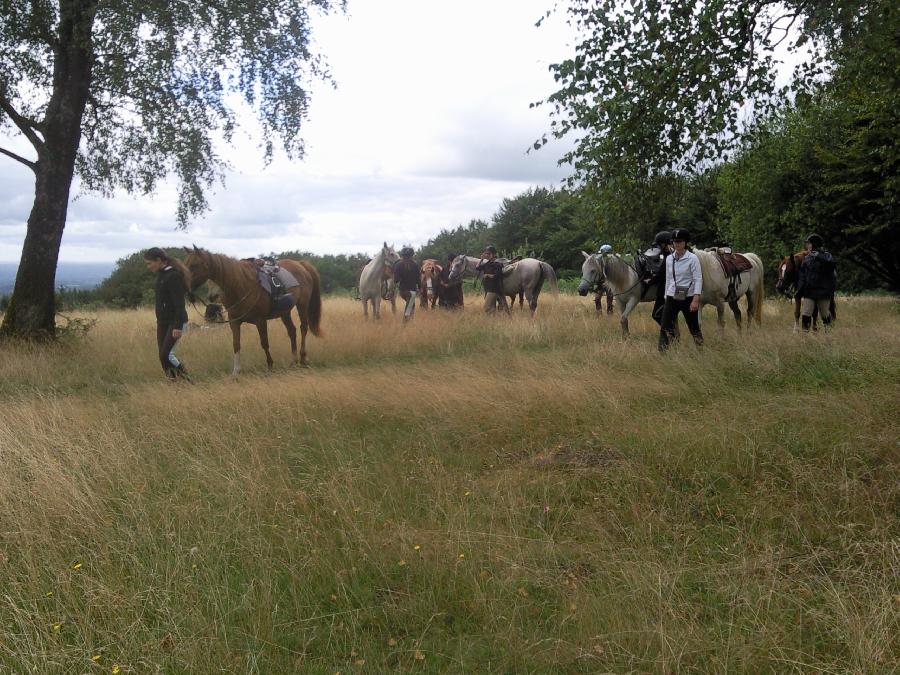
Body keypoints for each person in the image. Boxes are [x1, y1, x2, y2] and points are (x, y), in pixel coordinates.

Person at [144, 247, 191, 380]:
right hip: (163, 322)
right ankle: (173, 382)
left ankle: (187, 381)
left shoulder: (173, 276)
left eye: (149, 263)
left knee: (166, 355)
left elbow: (179, 304)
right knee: (162, 356)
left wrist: (177, 326)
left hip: (176, 321)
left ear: (158, 260)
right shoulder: (162, 275)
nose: (148, 267)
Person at [658, 229, 703, 351]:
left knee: (693, 326)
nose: (677, 244)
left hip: (688, 297)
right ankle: (663, 352)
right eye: (674, 242)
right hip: (672, 296)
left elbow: (698, 278)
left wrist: (696, 298)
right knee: (665, 325)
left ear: (685, 242)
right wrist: (666, 296)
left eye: (680, 241)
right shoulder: (669, 259)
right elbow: (668, 278)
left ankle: (700, 350)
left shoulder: (692, 258)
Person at [796, 233, 836, 332]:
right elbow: (802, 276)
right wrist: (799, 290)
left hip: (823, 292)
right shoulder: (806, 259)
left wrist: (818, 256)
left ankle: (829, 335)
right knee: (806, 314)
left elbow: (831, 266)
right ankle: (804, 337)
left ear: (814, 244)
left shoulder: (827, 256)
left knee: (825, 315)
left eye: (808, 244)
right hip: (809, 292)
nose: (807, 246)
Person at [646, 230, 673, 325]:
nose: (658, 247)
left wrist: (649, 282)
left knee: (657, 314)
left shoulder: (669, 257)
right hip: (665, 290)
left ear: (664, 244)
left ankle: (671, 333)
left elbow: (661, 275)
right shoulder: (666, 255)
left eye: (659, 244)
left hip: (665, 291)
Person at [475, 245, 510, 315]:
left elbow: (496, 276)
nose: (486, 255)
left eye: (488, 253)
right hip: (489, 288)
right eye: (486, 253)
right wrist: (481, 259)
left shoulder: (498, 264)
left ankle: (493, 321)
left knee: (487, 308)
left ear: (494, 254)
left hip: (494, 289)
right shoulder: (487, 264)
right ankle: (500, 320)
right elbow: (477, 267)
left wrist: (487, 275)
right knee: (502, 308)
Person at [393, 246, 419, 322]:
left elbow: (396, 280)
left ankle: (409, 321)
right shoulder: (415, 265)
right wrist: (419, 287)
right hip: (412, 291)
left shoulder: (398, 265)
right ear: (412, 255)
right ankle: (405, 322)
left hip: (402, 291)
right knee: (410, 306)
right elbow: (418, 279)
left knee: (411, 305)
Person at [595, 244, 614, 315]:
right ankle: (599, 313)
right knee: (597, 298)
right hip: (600, 282)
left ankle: (609, 312)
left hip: (609, 282)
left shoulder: (613, 262)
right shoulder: (598, 261)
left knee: (610, 297)